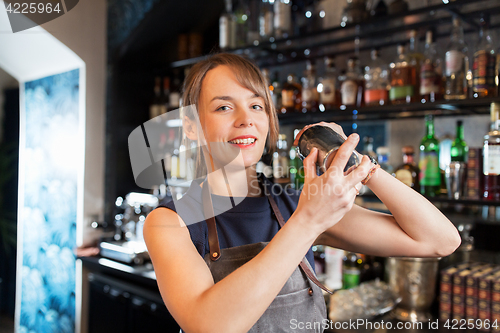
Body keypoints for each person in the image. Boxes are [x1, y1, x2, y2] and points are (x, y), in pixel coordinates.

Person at [143, 53, 461, 333]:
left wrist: (359, 165)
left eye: (257, 105)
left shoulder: (295, 203)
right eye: (224, 107)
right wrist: (307, 222)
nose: (246, 120)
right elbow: (209, 325)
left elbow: (439, 240)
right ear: (191, 126)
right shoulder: (169, 222)